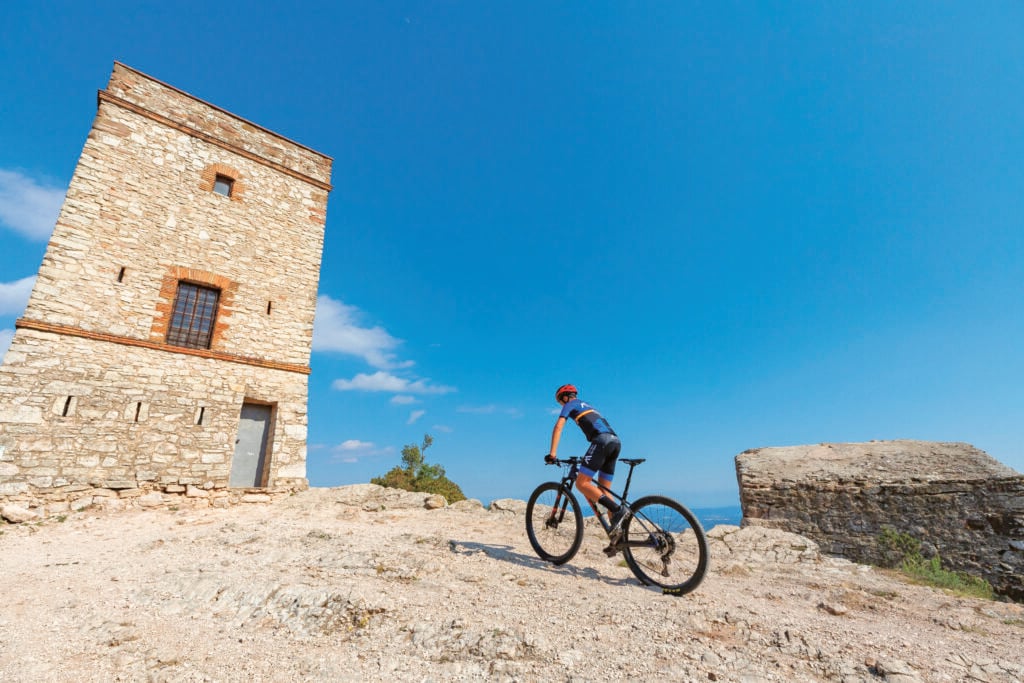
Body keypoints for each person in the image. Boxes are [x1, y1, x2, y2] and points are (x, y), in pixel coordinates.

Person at [545, 384, 629, 550]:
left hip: (602, 441)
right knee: (604, 492)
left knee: (582, 483)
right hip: (615, 441)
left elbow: (558, 426)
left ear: (564, 398)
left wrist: (552, 454)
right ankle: (617, 537)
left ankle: (618, 510)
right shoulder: (589, 406)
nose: (562, 405)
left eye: (560, 402)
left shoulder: (570, 404)